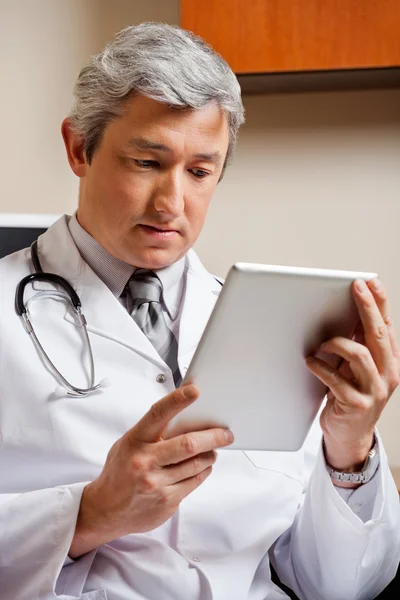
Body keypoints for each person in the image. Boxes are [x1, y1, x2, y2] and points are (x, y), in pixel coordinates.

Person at [0, 22, 399, 600]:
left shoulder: (273, 328)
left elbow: (341, 586)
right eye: (145, 162)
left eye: (200, 171)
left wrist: (350, 450)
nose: (171, 204)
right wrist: (89, 514)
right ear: (78, 148)